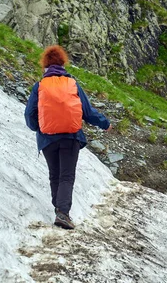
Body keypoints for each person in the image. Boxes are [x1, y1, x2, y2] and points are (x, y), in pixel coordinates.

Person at [25, 45, 112, 229]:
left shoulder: (39, 86)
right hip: (70, 137)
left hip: (48, 138)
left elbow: (29, 114)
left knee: (54, 175)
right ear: (63, 64)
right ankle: (62, 212)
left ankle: (59, 208)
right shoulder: (72, 83)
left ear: (45, 65)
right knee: (66, 176)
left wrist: (39, 129)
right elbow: (87, 112)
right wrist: (105, 123)